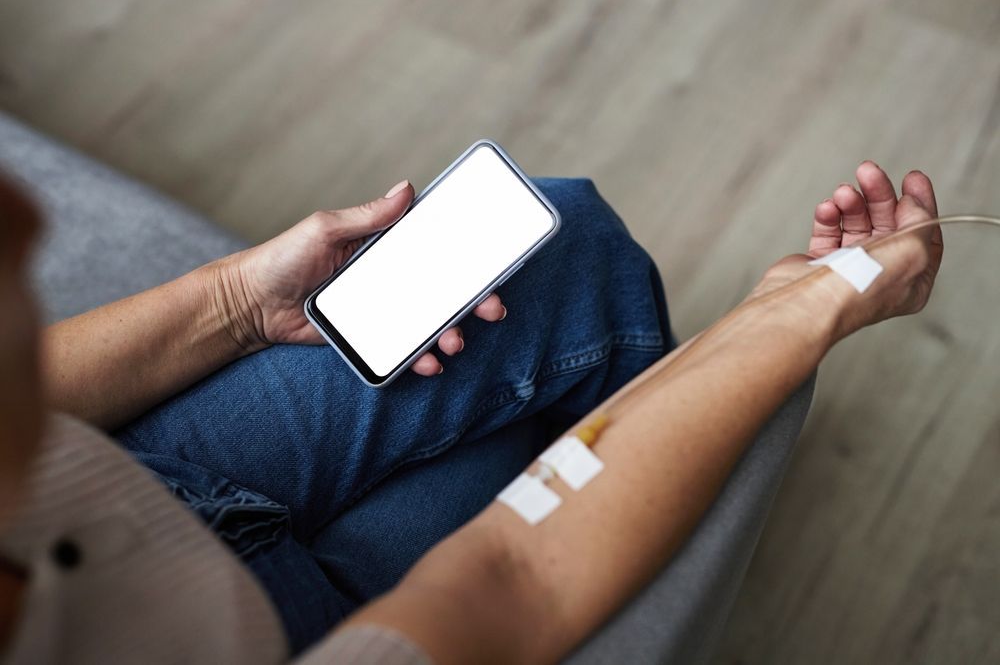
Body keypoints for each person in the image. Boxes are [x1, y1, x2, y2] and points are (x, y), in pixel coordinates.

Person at [0, 161, 942, 663]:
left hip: (113, 479)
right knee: (550, 412)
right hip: (274, 628)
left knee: (557, 242)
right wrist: (805, 308)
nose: (22, 216)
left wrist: (242, 300)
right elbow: (519, 577)